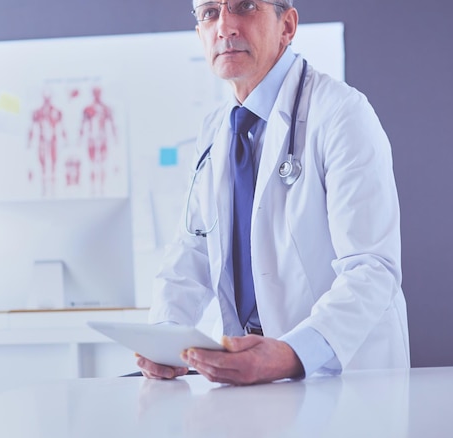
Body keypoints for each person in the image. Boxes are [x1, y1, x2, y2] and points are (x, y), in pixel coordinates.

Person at [137, 0, 410, 384]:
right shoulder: (216, 129)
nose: (225, 27)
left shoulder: (342, 115)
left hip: (345, 379)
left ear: (288, 25)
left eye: (244, 6)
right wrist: (165, 334)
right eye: (210, 12)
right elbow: (193, 248)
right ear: (199, 30)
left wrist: (292, 354)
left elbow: (371, 268)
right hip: (249, 378)